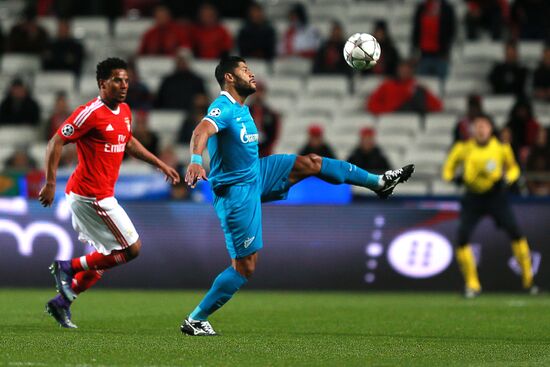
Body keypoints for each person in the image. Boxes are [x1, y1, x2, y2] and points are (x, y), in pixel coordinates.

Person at [180, 56, 415, 336]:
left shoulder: (243, 108)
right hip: (236, 192)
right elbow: (201, 130)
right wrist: (196, 159)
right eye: (244, 70)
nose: (251, 74)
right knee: (245, 267)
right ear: (229, 78)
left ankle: (378, 182)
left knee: (311, 162)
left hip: (256, 173)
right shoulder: (223, 107)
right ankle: (196, 319)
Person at [38, 58, 180, 329]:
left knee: (103, 261)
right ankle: (67, 266)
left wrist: (160, 163)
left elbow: (127, 141)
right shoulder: (89, 113)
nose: (124, 85)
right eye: (117, 80)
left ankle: (61, 303)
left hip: (100, 195)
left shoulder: (125, 111)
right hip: (90, 196)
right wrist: (50, 182)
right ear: (103, 84)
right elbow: (56, 141)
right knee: (131, 249)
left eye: (126, 80)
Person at [442, 114, 537, 298]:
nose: (481, 129)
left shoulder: (501, 148)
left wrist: (506, 180)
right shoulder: (463, 148)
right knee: (462, 238)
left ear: (490, 129)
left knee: (516, 233)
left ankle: (528, 281)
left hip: (496, 196)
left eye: (484, 126)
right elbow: (447, 169)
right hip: (472, 197)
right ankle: (472, 285)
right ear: (472, 130)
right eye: (477, 126)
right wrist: (454, 178)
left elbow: (514, 169)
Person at [367, 60, 443, 115]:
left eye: (407, 70)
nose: (404, 72)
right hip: (390, 119)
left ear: (412, 72)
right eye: (402, 70)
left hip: (412, 120)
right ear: (397, 70)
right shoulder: (386, 86)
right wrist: (388, 110)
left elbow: (437, 106)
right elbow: (371, 104)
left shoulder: (418, 88)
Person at [412, 0, 456, 80]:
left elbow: (451, 30)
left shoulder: (447, 9)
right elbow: (416, 30)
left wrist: (446, 48)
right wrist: (415, 51)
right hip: (423, 55)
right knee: (422, 83)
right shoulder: (421, 8)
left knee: (441, 83)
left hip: (441, 54)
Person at [248, 81, 280, 157]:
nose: (258, 95)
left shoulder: (271, 114)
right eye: (256, 92)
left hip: (265, 152)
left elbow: (274, 134)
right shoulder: (243, 112)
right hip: (246, 151)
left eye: (260, 91)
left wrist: (267, 149)